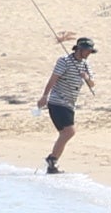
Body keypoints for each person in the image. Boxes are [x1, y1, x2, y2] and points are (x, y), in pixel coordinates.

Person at [40, 36, 95, 173]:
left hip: (70, 104)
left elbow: (92, 84)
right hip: (57, 101)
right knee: (69, 132)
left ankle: (52, 164)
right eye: (87, 51)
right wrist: (45, 96)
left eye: (90, 51)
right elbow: (53, 80)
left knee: (65, 133)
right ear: (79, 49)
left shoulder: (85, 65)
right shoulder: (64, 61)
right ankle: (52, 159)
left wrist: (86, 78)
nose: (88, 54)